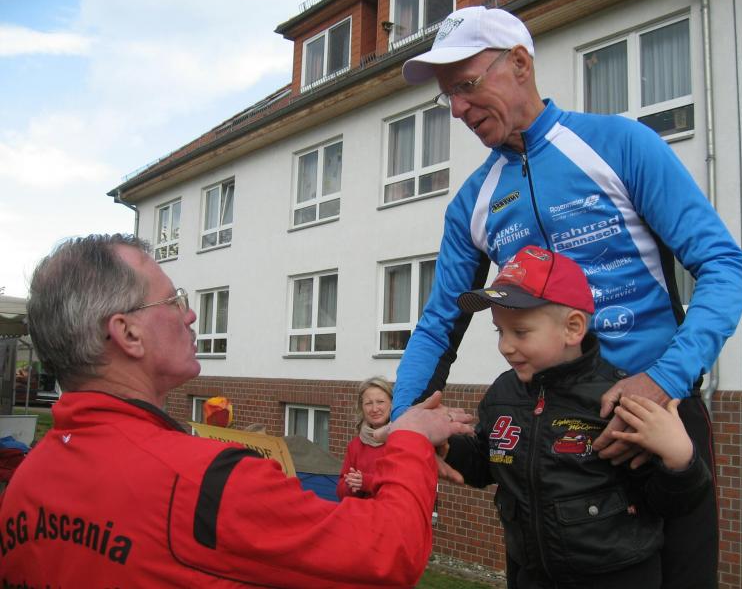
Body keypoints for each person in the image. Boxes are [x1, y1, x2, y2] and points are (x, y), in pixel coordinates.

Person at [394, 5, 742, 588]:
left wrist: (663, 380)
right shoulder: (472, 202)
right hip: (549, 433)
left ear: (519, 63)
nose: (456, 109)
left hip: (655, 419)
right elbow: (439, 324)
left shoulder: (622, 144)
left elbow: (724, 267)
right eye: (447, 96)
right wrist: (404, 423)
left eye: (466, 85)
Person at [0, 234, 473, 588]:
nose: (190, 315)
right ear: (127, 334)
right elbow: (389, 552)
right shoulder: (204, 479)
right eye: (174, 301)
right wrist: (409, 437)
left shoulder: (25, 481)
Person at [445, 244, 711, 588]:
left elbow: (668, 503)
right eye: (500, 331)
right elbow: (486, 462)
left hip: (618, 578)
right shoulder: (502, 395)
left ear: (572, 328)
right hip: (533, 575)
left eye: (520, 332)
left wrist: (679, 458)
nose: (505, 346)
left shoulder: (615, 400)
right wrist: (446, 445)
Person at [337, 376, 393, 500]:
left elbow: (400, 486)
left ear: (391, 404)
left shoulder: (400, 440)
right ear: (361, 407)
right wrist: (351, 484)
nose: (374, 409)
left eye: (380, 402)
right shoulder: (355, 445)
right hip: (360, 511)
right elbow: (341, 494)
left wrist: (366, 482)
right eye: (368, 403)